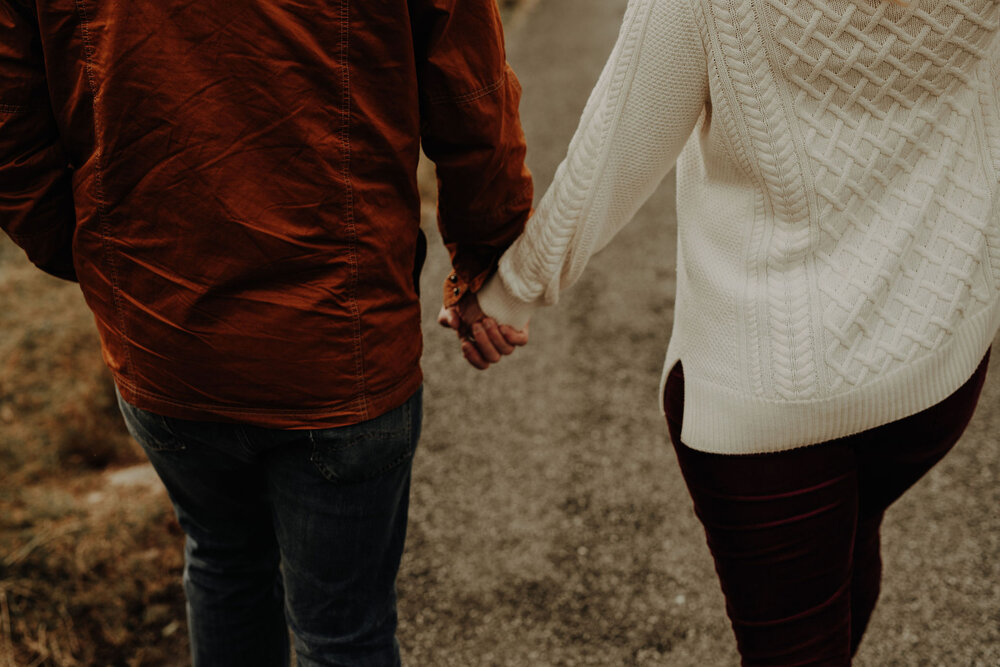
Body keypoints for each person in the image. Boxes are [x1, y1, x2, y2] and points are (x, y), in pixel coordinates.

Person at [444, 0, 1000, 663]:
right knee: (851, 537)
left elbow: (619, 143)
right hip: (936, 365)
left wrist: (509, 290)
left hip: (771, 400)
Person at [0, 0, 531, 664]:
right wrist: (486, 264)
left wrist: (115, 274)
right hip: (341, 349)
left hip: (165, 344)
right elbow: (472, 98)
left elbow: (12, 138)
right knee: (342, 630)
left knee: (224, 561)